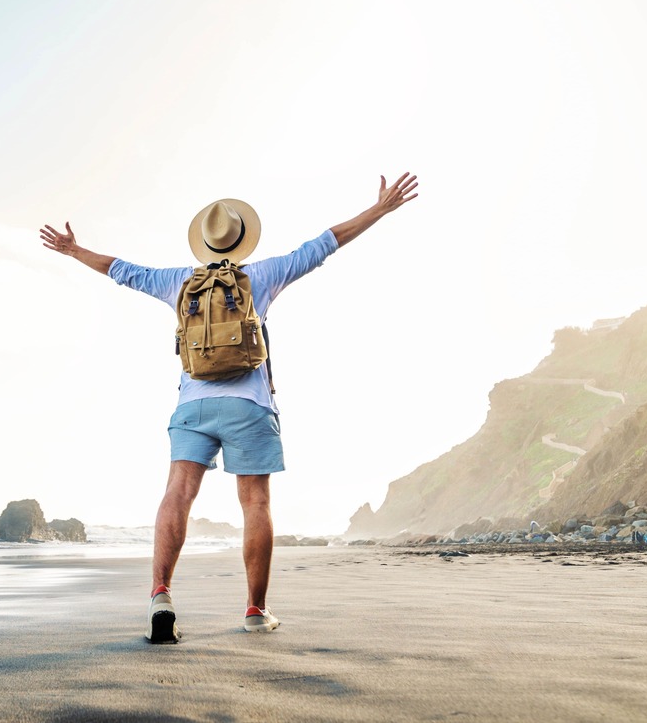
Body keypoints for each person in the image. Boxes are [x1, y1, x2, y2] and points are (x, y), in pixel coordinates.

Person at [38, 173, 420, 643]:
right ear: (241, 241)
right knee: (255, 503)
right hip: (249, 405)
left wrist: (75, 250)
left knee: (177, 494)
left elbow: (122, 269)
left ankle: (161, 593)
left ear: (203, 243)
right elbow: (325, 243)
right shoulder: (260, 275)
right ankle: (256, 611)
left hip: (193, 405)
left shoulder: (178, 282)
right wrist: (378, 210)